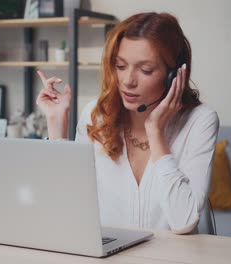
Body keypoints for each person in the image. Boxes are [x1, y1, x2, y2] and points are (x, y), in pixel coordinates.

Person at [35, 12, 219, 234]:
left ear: (174, 76)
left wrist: (155, 130)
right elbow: (68, 205)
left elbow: (184, 222)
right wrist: (57, 124)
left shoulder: (200, 121)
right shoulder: (97, 114)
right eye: (121, 66)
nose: (128, 81)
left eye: (145, 70)